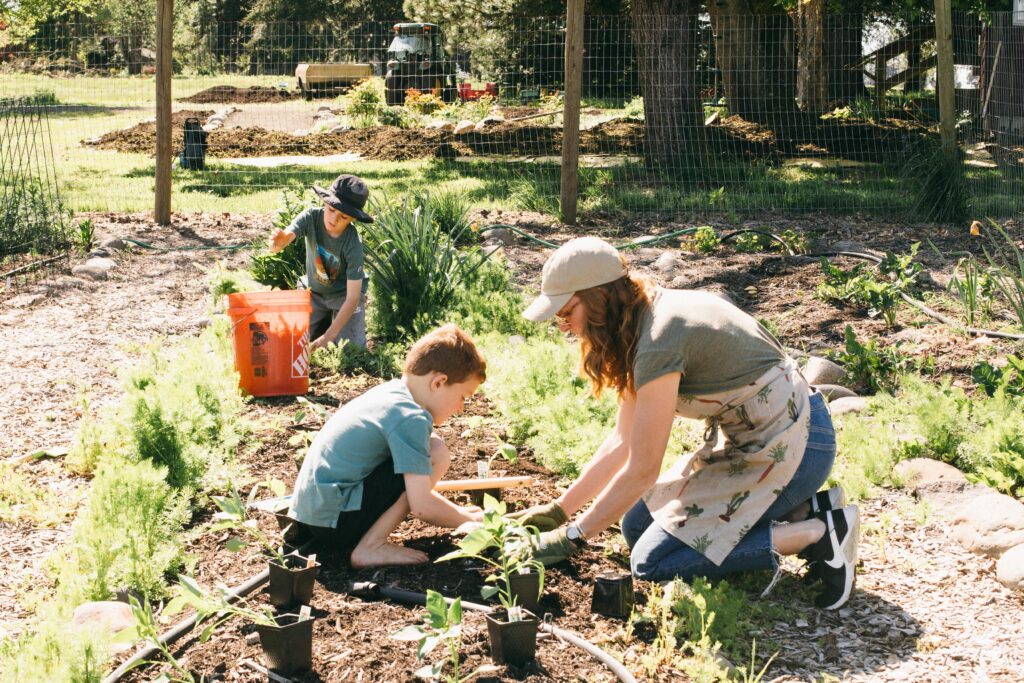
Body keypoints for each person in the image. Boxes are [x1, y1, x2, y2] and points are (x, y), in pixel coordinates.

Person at [514, 237, 859, 610]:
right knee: (635, 527)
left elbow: (643, 469)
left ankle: (817, 533)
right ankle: (804, 510)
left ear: (598, 297)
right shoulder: (639, 320)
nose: (565, 327)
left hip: (798, 447)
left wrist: (574, 536)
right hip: (760, 445)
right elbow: (621, 440)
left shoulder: (659, 340)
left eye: (567, 312)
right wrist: (560, 511)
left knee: (652, 563)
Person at [286, 324, 486, 568]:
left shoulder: (391, 393)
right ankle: (372, 546)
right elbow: (421, 506)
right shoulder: (410, 416)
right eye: (463, 397)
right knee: (437, 454)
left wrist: (460, 513)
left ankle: (370, 541)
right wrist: (463, 520)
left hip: (314, 515)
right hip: (336, 521)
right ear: (439, 382)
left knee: (432, 448)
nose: (461, 407)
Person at [268, 173, 372, 352]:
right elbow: (281, 243)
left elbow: (353, 297)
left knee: (352, 350)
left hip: (343, 297)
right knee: (291, 339)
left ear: (353, 218)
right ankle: (324, 322)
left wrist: (328, 336)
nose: (334, 219)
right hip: (314, 292)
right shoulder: (310, 217)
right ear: (325, 202)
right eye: (331, 210)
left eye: (344, 217)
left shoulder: (352, 242)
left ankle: (331, 329)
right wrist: (278, 243)